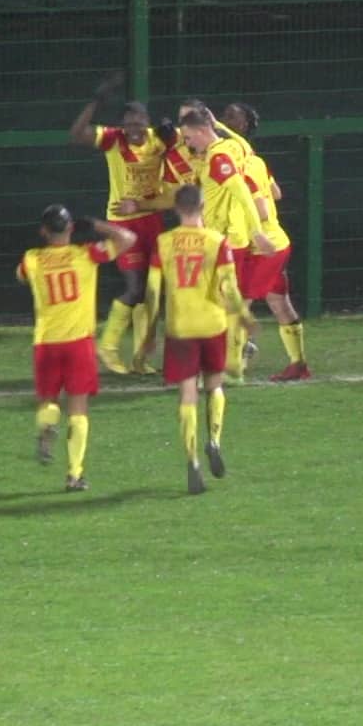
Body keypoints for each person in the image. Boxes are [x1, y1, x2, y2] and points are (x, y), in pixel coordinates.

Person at [141, 182, 256, 494]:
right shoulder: (217, 242)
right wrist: (243, 316)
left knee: (187, 395)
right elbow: (228, 287)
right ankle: (214, 440)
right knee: (215, 386)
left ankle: (191, 461)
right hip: (212, 324)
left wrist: (149, 330)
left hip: (180, 327)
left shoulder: (163, 242)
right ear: (203, 207)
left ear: (177, 209)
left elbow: (152, 290)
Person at [17, 205, 138, 492]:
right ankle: (74, 473)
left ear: (43, 231)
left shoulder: (32, 259)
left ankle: (47, 425)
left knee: (48, 400)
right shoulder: (86, 255)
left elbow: (21, 275)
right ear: (70, 228)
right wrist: (98, 225)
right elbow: (128, 239)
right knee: (79, 408)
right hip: (78, 342)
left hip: (46, 341)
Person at [69, 74, 172, 375]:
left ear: (147, 122)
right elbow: (76, 134)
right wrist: (96, 101)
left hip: (153, 220)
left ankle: (141, 357)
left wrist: (172, 136)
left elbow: (185, 149)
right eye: (128, 122)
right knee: (136, 286)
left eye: (138, 121)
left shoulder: (159, 140)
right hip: (124, 225)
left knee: (152, 289)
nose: (133, 127)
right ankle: (108, 347)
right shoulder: (114, 139)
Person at [156, 108, 270, 381]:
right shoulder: (216, 154)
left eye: (188, 137)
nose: (187, 142)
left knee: (221, 303)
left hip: (227, 242)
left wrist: (257, 232)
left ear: (199, 131)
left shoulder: (219, 158)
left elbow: (242, 194)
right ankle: (224, 363)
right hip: (218, 240)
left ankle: (231, 366)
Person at [221, 102, 310, 381]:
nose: (224, 121)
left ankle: (234, 366)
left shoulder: (240, 165)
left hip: (263, 246)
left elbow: (260, 207)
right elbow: (277, 193)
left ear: (244, 126)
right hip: (277, 242)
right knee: (278, 301)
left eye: (230, 118)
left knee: (238, 304)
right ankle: (298, 364)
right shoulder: (256, 161)